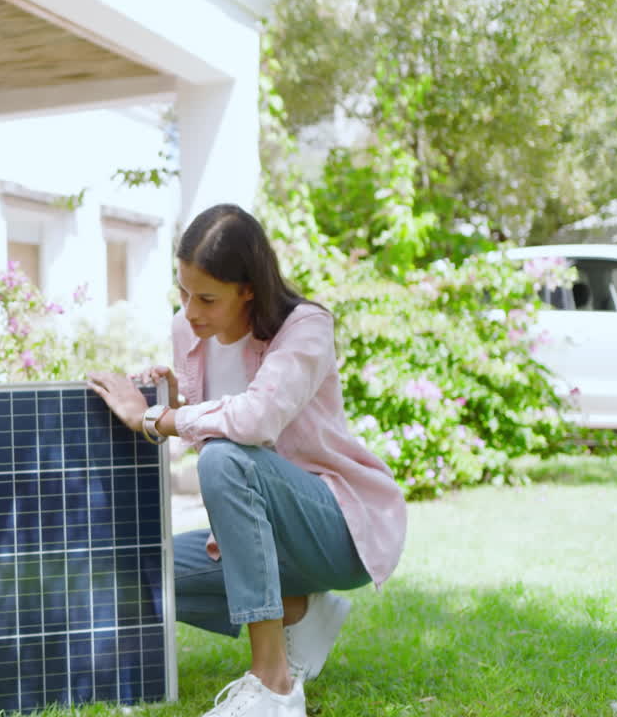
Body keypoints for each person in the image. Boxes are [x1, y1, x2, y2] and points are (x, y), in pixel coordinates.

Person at [88, 203, 407, 717]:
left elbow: (253, 423)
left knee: (222, 460)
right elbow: (215, 428)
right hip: (262, 534)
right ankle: (300, 610)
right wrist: (174, 402)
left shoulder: (306, 328)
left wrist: (153, 419)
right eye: (183, 292)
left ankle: (274, 686)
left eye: (207, 298)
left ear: (249, 289)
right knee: (142, 568)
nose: (191, 311)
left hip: (335, 526)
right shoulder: (188, 330)